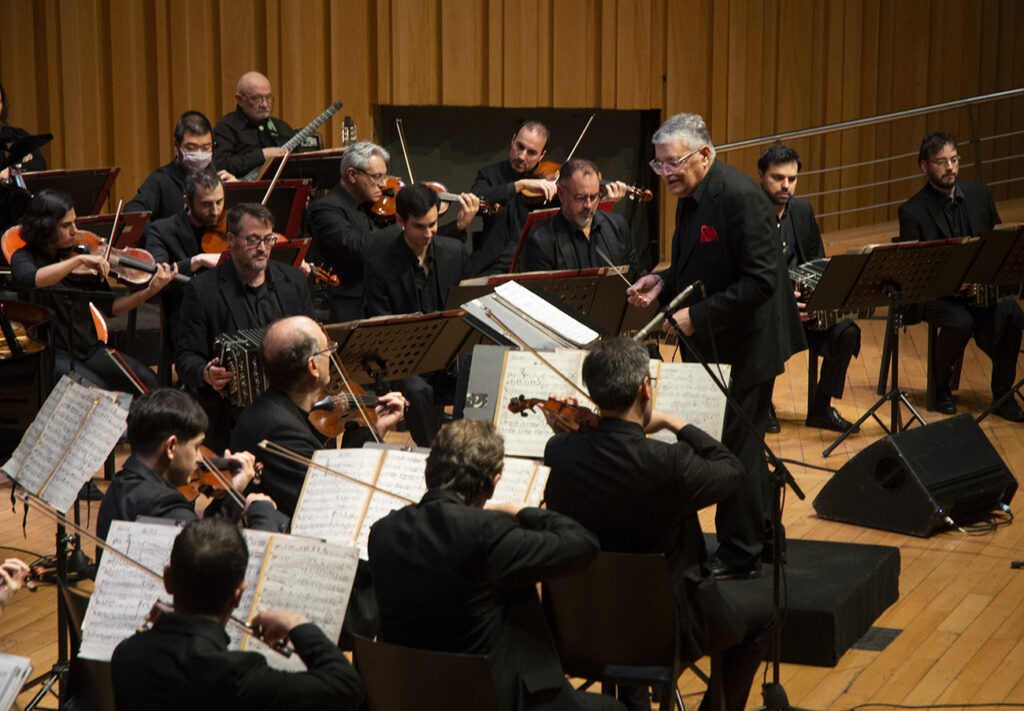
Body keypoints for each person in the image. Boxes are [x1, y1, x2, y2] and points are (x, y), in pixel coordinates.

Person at [543, 337, 772, 711]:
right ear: (645, 388)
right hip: (664, 630)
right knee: (763, 615)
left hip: (583, 621)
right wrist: (674, 421)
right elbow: (734, 472)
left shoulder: (560, 451)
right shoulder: (670, 464)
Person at [626, 113, 805, 578]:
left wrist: (697, 316)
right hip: (719, 342)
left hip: (749, 343)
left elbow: (764, 280)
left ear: (704, 155)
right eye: (658, 164)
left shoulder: (742, 198)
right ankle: (766, 539)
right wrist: (661, 281)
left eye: (673, 163)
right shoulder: (691, 193)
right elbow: (702, 266)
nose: (664, 173)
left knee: (735, 447)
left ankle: (741, 552)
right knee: (742, 442)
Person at [368, 419, 623, 711]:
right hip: (493, 698)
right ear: (493, 484)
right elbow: (583, 544)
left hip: (414, 698)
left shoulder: (382, 533)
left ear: (428, 471)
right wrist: (521, 510)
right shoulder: (488, 533)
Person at [111, 518, 363, 711]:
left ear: (167, 580)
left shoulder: (126, 655)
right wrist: (297, 624)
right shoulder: (238, 677)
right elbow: (346, 686)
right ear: (238, 595)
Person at [897, 131, 1024, 421]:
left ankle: (1003, 394)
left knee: (1013, 314)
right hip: (938, 294)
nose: (950, 167)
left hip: (980, 290)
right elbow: (915, 269)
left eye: (954, 159)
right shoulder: (912, 210)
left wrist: (984, 280)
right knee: (960, 322)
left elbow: (999, 243)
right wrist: (955, 283)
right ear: (924, 166)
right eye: (941, 162)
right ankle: (940, 388)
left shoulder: (980, 194)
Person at [230, 315, 406, 518]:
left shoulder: (271, 407)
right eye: (327, 348)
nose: (332, 352)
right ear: (313, 367)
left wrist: (377, 427)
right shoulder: (283, 432)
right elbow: (333, 503)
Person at [175, 202, 314, 450]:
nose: (262, 248)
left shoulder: (292, 281)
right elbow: (186, 357)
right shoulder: (203, 290)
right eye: (252, 240)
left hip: (291, 405)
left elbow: (313, 338)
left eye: (268, 239)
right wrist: (206, 373)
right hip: (232, 416)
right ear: (231, 239)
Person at [9, 189, 176, 391]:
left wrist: (149, 291)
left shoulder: (82, 258)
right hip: (52, 353)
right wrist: (79, 260)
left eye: (75, 222)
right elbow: (31, 280)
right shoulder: (24, 257)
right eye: (66, 225)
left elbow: (112, 307)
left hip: (89, 349)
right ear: (46, 228)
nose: (75, 231)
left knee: (147, 381)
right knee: (96, 391)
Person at [757, 143, 860, 433]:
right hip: (771, 313)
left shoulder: (802, 211)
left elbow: (818, 263)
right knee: (768, 331)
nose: (786, 185)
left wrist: (818, 301)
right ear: (762, 176)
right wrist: (784, 306)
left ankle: (820, 407)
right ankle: (763, 403)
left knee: (846, 332)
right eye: (778, 178)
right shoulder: (750, 213)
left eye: (791, 179)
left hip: (806, 311)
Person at [362, 183, 476, 446]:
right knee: (418, 390)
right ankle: (433, 453)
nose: (428, 233)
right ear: (400, 221)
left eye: (433, 224)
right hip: (405, 358)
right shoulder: (379, 266)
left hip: (447, 353)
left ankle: (468, 448)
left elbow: (468, 306)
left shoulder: (454, 252)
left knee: (478, 374)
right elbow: (382, 327)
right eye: (420, 226)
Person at [97, 388, 286, 543]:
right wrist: (262, 513)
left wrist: (233, 490)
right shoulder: (165, 505)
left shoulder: (118, 486)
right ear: (170, 447)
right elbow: (208, 550)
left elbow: (197, 534)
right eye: (196, 446)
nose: (200, 458)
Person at [304, 140, 399, 322]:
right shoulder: (325, 209)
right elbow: (358, 248)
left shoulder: (370, 206)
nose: (383, 184)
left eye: (385, 176)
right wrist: (402, 225)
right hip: (349, 308)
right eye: (377, 177)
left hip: (378, 300)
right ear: (352, 175)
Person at [141, 167, 226, 352]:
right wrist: (196, 261)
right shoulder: (162, 230)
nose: (215, 211)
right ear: (187, 201)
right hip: (188, 314)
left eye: (219, 202)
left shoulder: (232, 225)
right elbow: (156, 275)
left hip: (229, 306)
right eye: (206, 204)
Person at [517, 157, 644, 276]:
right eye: (580, 198)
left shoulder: (618, 226)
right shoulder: (541, 242)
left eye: (594, 197)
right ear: (561, 194)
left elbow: (635, 276)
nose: (588, 205)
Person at [125, 110, 232, 220]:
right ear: (176, 145)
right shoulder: (161, 180)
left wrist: (237, 191)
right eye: (191, 148)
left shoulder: (220, 175)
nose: (199, 154)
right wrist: (158, 236)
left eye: (206, 148)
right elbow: (133, 211)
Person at [213, 71, 295, 178]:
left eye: (268, 98)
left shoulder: (282, 128)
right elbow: (220, 166)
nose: (265, 104)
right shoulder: (226, 127)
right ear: (240, 99)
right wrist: (262, 155)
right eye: (257, 99)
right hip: (243, 192)